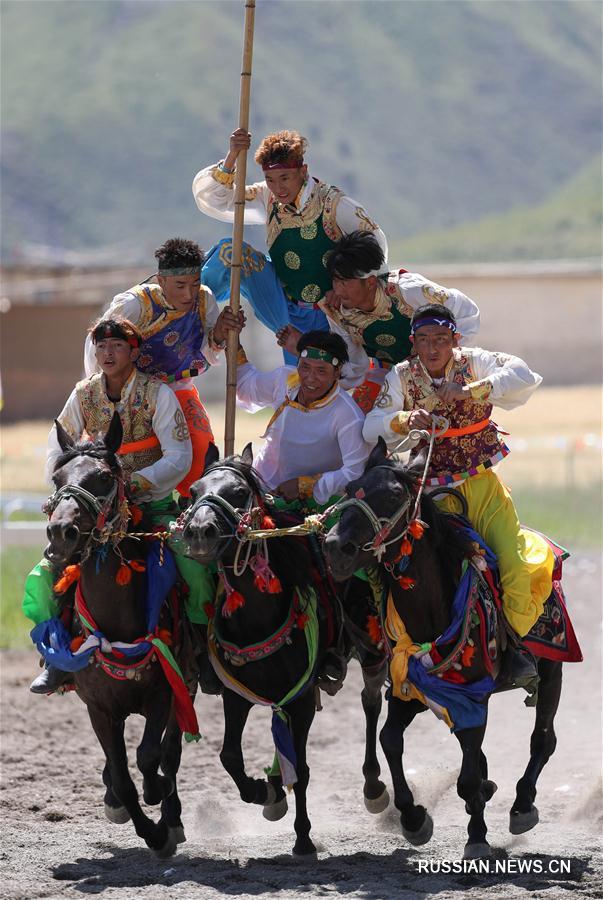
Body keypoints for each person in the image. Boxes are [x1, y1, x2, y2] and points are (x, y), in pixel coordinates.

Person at [25, 318, 219, 694]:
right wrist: (74, 489)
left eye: (116, 347)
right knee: (47, 572)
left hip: (152, 506)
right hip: (97, 510)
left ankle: (201, 652)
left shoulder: (157, 394)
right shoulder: (82, 395)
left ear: (134, 352)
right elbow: (57, 450)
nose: (107, 354)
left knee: (193, 566)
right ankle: (57, 657)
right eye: (101, 347)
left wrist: (132, 484)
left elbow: (179, 456)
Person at [362, 304, 555, 681]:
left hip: (483, 487)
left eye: (441, 340)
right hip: (431, 495)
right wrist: (402, 419)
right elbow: (371, 426)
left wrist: (469, 390)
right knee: (400, 567)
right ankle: (392, 650)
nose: (432, 348)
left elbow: (522, 375)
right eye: (423, 340)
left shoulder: (476, 362)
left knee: (514, 563)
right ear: (412, 342)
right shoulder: (401, 377)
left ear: (455, 339)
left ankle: (513, 645)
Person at [193, 129, 387, 362]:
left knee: (311, 385)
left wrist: (345, 288)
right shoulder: (267, 196)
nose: (278, 188)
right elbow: (218, 199)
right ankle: (188, 312)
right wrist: (232, 155)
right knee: (230, 251)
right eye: (270, 180)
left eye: (285, 178)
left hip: (330, 314)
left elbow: (375, 247)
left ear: (303, 171)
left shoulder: (334, 203)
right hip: (282, 301)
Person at [84, 237, 245, 497]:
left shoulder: (205, 301)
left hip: (179, 389)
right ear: (161, 281)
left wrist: (220, 333)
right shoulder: (135, 304)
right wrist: (105, 393)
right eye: (180, 285)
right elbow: (98, 346)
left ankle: (199, 518)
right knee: (109, 464)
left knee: (203, 457)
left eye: (195, 284)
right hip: (132, 395)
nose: (188, 294)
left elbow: (209, 353)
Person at [277, 230, 480, 412]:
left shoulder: (407, 290)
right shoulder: (337, 312)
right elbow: (355, 366)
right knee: (362, 427)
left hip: (442, 372)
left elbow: (467, 313)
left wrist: (450, 362)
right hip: (389, 374)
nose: (338, 291)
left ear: (371, 282)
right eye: (336, 281)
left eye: (345, 282)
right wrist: (308, 352)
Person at [236, 330, 370, 506]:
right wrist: (233, 341)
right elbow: (247, 390)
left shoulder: (348, 415)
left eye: (321, 370)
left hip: (311, 506)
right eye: (305, 367)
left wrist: (305, 485)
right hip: (258, 487)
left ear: (337, 372)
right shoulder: (285, 379)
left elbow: (355, 472)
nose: (310, 378)